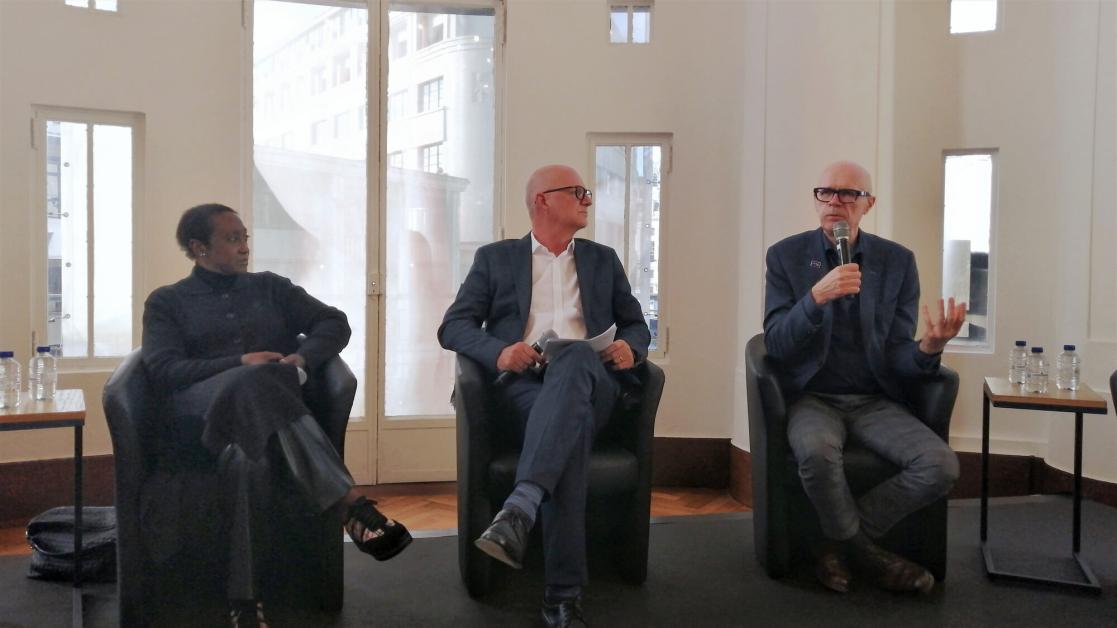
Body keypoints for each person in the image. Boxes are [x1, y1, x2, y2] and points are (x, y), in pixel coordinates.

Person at [142, 203, 411, 627]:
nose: (245, 247)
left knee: (250, 460)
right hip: (202, 422)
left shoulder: (271, 287)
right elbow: (163, 371)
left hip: (261, 429)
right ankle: (349, 505)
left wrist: (301, 361)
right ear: (198, 248)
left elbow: (334, 323)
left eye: (245, 237)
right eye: (233, 239)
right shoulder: (167, 301)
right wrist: (238, 363)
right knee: (254, 376)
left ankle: (245, 603)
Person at [438, 165, 650, 627]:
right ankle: (562, 593)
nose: (588, 199)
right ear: (543, 201)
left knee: (574, 357)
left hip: (595, 385)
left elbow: (636, 323)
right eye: (578, 192)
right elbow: (453, 326)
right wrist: (500, 352)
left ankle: (519, 508)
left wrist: (629, 346)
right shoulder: (495, 259)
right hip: (524, 388)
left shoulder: (602, 259)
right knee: (564, 436)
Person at [763, 161, 966, 595]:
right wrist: (815, 298)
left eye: (848, 194)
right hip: (812, 397)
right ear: (816, 200)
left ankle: (836, 541)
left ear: (868, 204)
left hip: (875, 399)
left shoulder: (897, 262)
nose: (834, 201)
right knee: (816, 455)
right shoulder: (786, 256)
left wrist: (929, 348)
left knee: (941, 465)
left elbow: (897, 356)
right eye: (825, 192)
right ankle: (868, 555)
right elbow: (777, 343)